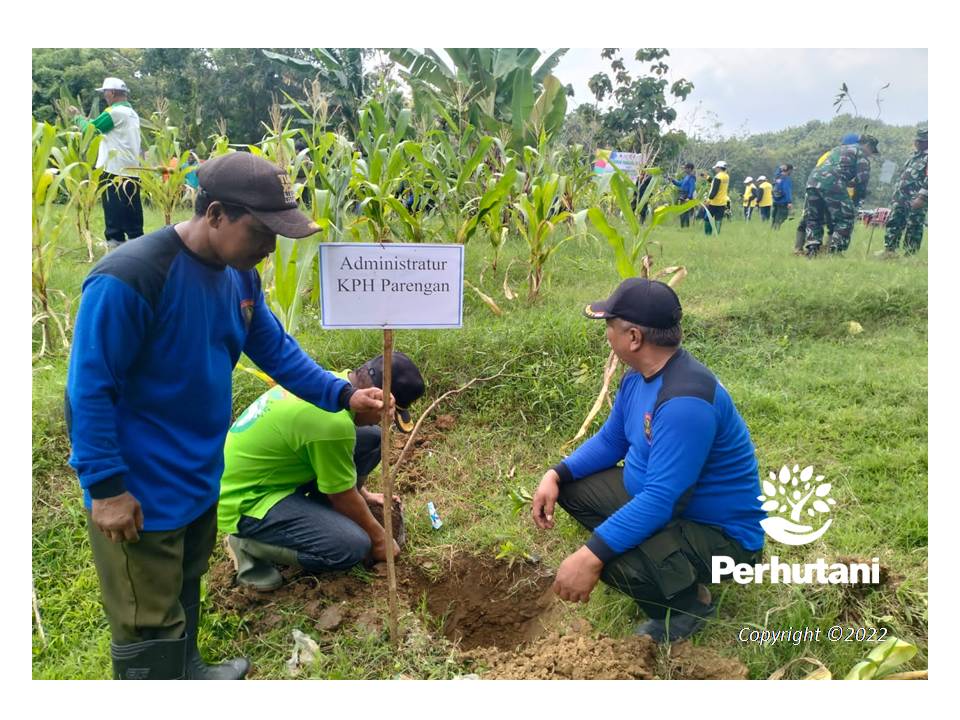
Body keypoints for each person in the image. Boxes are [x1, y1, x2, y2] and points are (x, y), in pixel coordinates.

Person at [65, 151, 388, 680]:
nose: (269, 248)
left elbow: (276, 351)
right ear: (215, 214)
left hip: (198, 472)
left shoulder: (238, 278)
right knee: (147, 619)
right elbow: (89, 390)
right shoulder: (131, 277)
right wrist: (106, 488)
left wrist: (341, 395)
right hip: (141, 487)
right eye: (261, 232)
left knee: (184, 585)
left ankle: (189, 671)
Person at [531, 278, 765, 643]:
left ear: (634, 337)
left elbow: (662, 500)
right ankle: (665, 567)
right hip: (669, 508)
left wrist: (592, 555)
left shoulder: (685, 402)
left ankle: (687, 607)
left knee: (609, 558)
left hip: (724, 539)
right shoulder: (639, 378)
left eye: (610, 327)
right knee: (573, 488)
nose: (607, 335)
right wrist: (556, 474)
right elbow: (612, 440)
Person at [219, 353, 425, 591]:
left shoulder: (335, 382)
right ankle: (246, 544)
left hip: (273, 471)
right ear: (376, 398)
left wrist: (364, 495)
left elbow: (339, 462)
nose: (382, 421)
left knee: (371, 438)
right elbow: (341, 495)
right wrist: (380, 542)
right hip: (247, 499)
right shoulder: (333, 426)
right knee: (353, 546)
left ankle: (317, 514)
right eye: (386, 414)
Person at [72, 77, 144, 250]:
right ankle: (136, 239)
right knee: (131, 204)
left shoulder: (114, 112)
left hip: (114, 167)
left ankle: (115, 239)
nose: (105, 96)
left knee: (113, 204)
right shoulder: (131, 113)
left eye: (105, 92)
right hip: (131, 167)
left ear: (111, 93)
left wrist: (77, 117)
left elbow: (91, 130)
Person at [801, 134, 878, 256]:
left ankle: (812, 249)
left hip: (812, 181)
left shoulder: (838, 149)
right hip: (832, 182)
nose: (870, 154)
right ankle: (835, 250)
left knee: (814, 217)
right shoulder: (861, 153)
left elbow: (836, 168)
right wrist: (857, 202)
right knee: (846, 216)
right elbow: (862, 180)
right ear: (868, 145)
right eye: (872, 151)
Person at [794, 134, 860, 255]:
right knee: (815, 219)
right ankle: (802, 249)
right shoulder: (835, 154)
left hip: (820, 188)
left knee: (819, 219)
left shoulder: (836, 153)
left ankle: (819, 249)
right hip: (828, 190)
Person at [882, 127, 928, 257]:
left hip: (917, 197)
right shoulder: (913, 156)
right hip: (901, 196)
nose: (917, 143)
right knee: (895, 220)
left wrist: (922, 197)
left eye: (921, 141)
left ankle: (910, 254)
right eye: (917, 140)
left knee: (914, 225)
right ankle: (890, 250)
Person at [704, 161, 729, 235]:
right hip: (722, 202)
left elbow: (714, 190)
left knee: (707, 218)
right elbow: (714, 182)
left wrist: (708, 200)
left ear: (719, 168)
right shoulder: (726, 176)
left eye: (716, 168)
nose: (715, 169)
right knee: (718, 219)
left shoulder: (718, 176)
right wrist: (707, 177)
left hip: (714, 202)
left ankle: (708, 234)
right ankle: (717, 235)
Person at [670, 163, 697, 228]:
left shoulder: (691, 177)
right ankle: (683, 226)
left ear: (690, 169)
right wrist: (673, 180)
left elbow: (692, 187)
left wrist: (689, 197)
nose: (684, 170)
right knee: (682, 211)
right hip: (683, 194)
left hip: (686, 195)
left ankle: (686, 226)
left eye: (686, 168)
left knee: (685, 211)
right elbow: (680, 184)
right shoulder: (686, 177)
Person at [771, 165, 793, 230]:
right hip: (783, 202)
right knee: (781, 217)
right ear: (789, 170)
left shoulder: (777, 177)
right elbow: (787, 190)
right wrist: (789, 202)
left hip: (775, 200)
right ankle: (775, 231)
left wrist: (779, 168)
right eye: (791, 170)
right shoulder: (786, 179)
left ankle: (772, 230)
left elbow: (776, 173)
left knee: (775, 218)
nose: (791, 172)